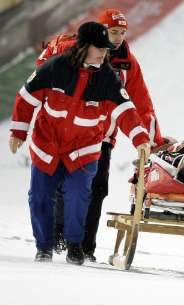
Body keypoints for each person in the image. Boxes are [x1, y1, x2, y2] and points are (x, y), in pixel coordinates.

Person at [8, 21, 151, 265]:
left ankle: (75, 245)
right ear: (84, 47)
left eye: (106, 50)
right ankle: (44, 247)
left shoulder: (107, 77)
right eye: (100, 49)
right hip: (48, 144)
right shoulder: (55, 68)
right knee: (40, 196)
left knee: (78, 196)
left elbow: (126, 110)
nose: (105, 54)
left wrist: (141, 139)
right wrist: (18, 132)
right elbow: (26, 96)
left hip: (83, 149)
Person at [37, 8, 165, 261]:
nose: (118, 38)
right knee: (64, 184)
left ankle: (85, 247)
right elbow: (43, 71)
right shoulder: (73, 49)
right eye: (113, 32)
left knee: (97, 189)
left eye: (122, 33)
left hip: (102, 136)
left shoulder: (128, 62)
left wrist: (154, 140)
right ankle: (59, 235)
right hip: (68, 131)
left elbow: (141, 102)